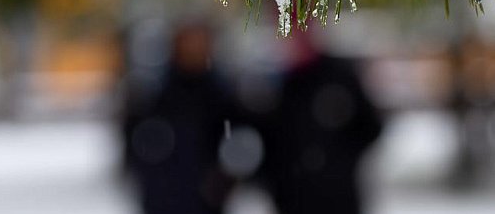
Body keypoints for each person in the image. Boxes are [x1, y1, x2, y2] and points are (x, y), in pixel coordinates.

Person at [257, 25, 383, 214]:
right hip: (292, 198)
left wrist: (339, 163)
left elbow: (370, 127)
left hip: (337, 197)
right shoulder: (276, 83)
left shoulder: (338, 76)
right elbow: (266, 139)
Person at [122, 18, 238, 214]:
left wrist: (222, 179)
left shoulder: (220, 94)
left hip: (206, 197)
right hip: (164, 196)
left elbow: (233, 141)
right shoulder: (156, 93)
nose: (194, 49)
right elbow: (137, 141)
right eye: (189, 42)